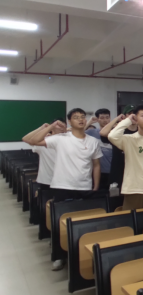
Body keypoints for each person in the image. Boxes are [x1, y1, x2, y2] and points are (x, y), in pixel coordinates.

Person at [28, 108, 103, 271]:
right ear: (70, 121)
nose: (81, 120)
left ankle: (82, 257)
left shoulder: (93, 141)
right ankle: (59, 257)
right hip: (63, 186)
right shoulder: (60, 139)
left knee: (83, 223)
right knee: (60, 224)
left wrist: (96, 186)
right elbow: (33, 140)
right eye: (76, 117)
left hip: (85, 187)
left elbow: (96, 165)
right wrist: (50, 126)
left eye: (83, 117)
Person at [100, 105, 137, 190]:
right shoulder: (118, 132)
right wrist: (117, 119)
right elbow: (103, 133)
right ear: (125, 116)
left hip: (135, 175)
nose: (133, 116)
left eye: (135, 114)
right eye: (130, 114)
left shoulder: (141, 132)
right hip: (117, 175)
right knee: (116, 197)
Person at [22, 120, 67, 190]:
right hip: (47, 180)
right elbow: (26, 139)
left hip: (65, 180)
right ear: (52, 128)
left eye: (63, 126)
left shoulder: (69, 141)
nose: (61, 128)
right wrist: (42, 128)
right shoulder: (43, 141)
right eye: (59, 126)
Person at [85, 109, 114, 190]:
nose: (105, 120)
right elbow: (77, 133)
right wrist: (89, 122)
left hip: (112, 170)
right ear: (97, 119)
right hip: (96, 171)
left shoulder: (115, 133)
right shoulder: (91, 132)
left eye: (107, 117)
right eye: (102, 118)